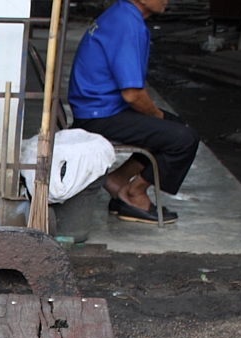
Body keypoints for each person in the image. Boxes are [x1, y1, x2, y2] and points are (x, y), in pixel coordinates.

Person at [68, 0, 199, 224]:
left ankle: (118, 180)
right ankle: (134, 193)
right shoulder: (128, 23)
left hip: (96, 109)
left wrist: (159, 118)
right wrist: (156, 115)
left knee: (175, 125)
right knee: (183, 139)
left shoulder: (121, 13)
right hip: (99, 115)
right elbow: (132, 94)